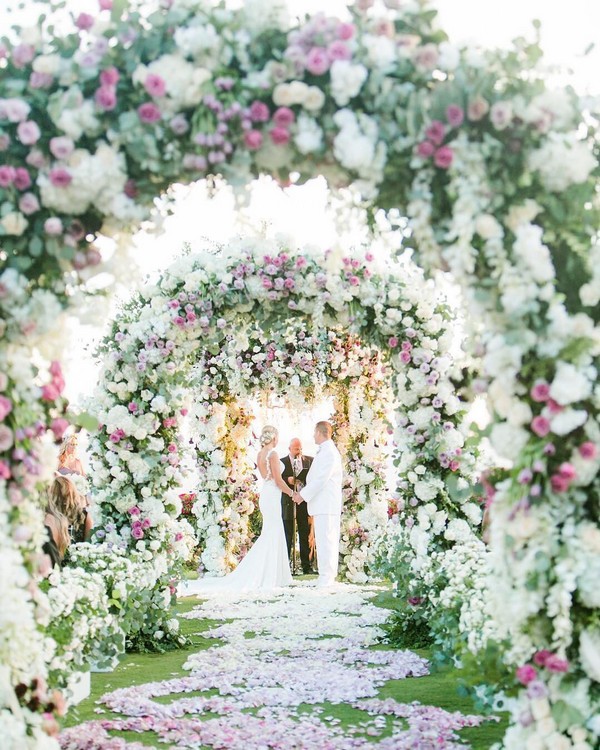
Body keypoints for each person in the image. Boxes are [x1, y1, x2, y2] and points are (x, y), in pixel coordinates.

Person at [181, 425, 294, 595]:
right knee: (273, 532)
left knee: (271, 532)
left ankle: (275, 575)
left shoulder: (260, 454)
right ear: (274, 438)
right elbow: (278, 480)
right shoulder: (273, 454)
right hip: (272, 495)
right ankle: (271, 575)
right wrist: (293, 493)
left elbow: (267, 478)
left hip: (267, 494)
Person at [293, 421, 343, 588]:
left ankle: (327, 578)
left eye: (314, 432)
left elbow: (321, 479)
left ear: (320, 433)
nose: (313, 436)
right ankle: (325, 575)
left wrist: (302, 495)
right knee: (324, 539)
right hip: (322, 504)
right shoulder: (325, 451)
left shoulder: (329, 452)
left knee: (327, 539)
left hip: (326, 504)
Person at [43, 475, 93, 567]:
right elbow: (89, 544)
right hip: (79, 566)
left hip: (56, 565)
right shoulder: (84, 515)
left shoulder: (50, 518)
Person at [281, 438, 314, 574]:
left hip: (305, 501)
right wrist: (287, 479)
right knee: (288, 534)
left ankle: (307, 566)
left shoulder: (310, 461)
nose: (299, 451)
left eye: (300, 448)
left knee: (306, 533)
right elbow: (276, 479)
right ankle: (285, 566)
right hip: (289, 501)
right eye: (296, 449)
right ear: (289, 449)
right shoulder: (282, 462)